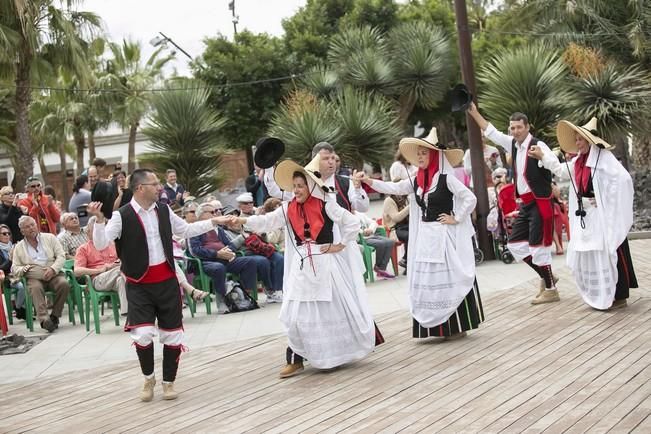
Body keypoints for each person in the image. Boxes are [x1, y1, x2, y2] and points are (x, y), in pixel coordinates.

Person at [87, 168, 234, 402]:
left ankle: (169, 383)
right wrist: (98, 220)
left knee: (172, 336)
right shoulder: (121, 215)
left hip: (166, 282)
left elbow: (185, 230)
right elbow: (102, 242)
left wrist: (213, 221)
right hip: (138, 284)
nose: (160, 188)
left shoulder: (164, 210)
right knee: (143, 334)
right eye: (155, 184)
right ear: (139, 188)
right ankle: (148, 378)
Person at [239, 154, 381, 378]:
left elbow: (351, 222)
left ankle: (330, 355)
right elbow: (267, 222)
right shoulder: (288, 208)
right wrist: (243, 221)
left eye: (300, 186)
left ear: (311, 186)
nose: (296, 190)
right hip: (302, 265)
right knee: (295, 314)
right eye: (294, 186)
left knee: (328, 311)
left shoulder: (326, 205)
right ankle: (296, 357)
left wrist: (340, 245)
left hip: (326, 264)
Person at [356, 128, 483, 340]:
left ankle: (455, 326)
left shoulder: (445, 178)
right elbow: (394, 188)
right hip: (425, 237)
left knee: (448, 278)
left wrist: (457, 217)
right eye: (419, 154)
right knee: (428, 282)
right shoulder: (417, 180)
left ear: (434, 156)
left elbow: (469, 198)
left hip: (444, 237)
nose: (421, 157)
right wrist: (370, 182)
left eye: (425, 153)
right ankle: (435, 328)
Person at [530, 118, 638, 311]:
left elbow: (622, 180)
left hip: (602, 215)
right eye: (576, 139)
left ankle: (618, 295)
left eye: (580, 140)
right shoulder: (578, 162)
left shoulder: (604, 159)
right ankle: (600, 291)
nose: (577, 143)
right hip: (586, 215)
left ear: (589, 141)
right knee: (590, 251)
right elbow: (561, 171)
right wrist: (543, 157)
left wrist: (603, 199)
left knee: (608, 250)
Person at [467, 102, 560, 304]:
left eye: (519, 127)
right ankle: (548, 277)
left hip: (540, 201)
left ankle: (551, 289)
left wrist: (542, 156)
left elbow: (556, 166)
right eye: (513, 128)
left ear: (527, 127)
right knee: (515, 245)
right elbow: (491, 132)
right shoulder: (513, 145)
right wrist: (474, 113)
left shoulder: (538, 145)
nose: (516, 131)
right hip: (525, 204)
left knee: (538, 247)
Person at [189, 202, 261, 312]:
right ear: (201, 215)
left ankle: (245, 295)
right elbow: (195, 251)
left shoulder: (219, 229)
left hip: (225, 259)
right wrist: (216, 254)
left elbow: (230, 244)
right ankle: (222, 301)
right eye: (212, 212)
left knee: (249, 261)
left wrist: (228, 251)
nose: (216, 213)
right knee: (218, 268)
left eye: (216, 211)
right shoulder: (194, 229)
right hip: (207, 262)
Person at [263, 141, 370, 213]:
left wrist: (358, 189)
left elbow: (363, 208)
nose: (331, 161)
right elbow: (275, 191)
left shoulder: (346, 182)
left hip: (344, 243)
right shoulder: (304, 183)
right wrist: (268, 166)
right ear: (315, 160)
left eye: (333, 158)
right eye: (326, 158)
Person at [11, 216, 71, 333]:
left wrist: (53, 269)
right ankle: (44, 320)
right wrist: (24, 269)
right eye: (27, 227)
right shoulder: (18, 247)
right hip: (34, 278)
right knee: (35, 287)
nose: (31, 228)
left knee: (64, 284)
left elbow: (61, 256)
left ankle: (54, 316)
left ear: (36, 225)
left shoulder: (50, 237)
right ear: (22, 231)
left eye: (32, 225)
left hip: (53, 273)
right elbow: (14, 267)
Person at [355, 211, 396, 279]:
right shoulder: (348, 216)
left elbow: (373, 222)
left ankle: (381, 268)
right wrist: (362, 232)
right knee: (381, 244)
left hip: (371, 235)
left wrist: (371, 229)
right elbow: (351, 228)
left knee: (390, 242)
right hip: (361, 239)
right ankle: (379, 268)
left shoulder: (360, 214)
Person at [0, 224, 26, 319]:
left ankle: (24, 308)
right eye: (4, 233)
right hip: (7, 277)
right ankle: (18, 308)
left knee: (33, 282)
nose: (7, 235)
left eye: (8, 233)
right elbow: (1, 268)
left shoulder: (15, 246)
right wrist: (10, 259)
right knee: (21, 287)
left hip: (19, 272)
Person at [382, 194, 409, 270]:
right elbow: (396, 218)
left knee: (417, 232)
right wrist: (409, 207)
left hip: (406, 226)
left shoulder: (406, 197)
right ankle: (406, 259)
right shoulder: (389, 200)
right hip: (394, 229)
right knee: (410, 235)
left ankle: (412, 261)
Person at [551, 182, 569, 255]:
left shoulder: (552, 185)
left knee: (551, 225)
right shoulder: (553, 185)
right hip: (554, 208)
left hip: (553, 208)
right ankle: (558, 246)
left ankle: (558, 246)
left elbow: (557, 195)